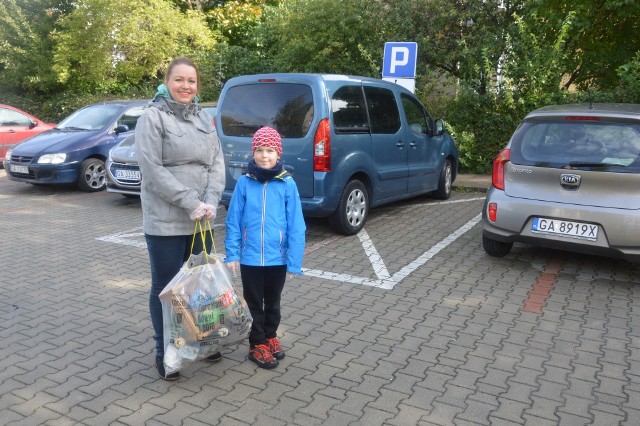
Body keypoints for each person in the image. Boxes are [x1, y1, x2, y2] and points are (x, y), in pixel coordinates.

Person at [135, 56, 226, 380]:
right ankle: (167, 353)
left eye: (192, 81)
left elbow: (217, 162)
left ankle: (205, 339)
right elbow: (152, 170)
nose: (186, 86)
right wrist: (190, 201)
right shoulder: (152, 117)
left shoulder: (204, 117)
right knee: (168, 287)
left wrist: (211, 200)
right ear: (167, 82)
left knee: (201, 285)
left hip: (201, 218)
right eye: (179, 80)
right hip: (166, 220)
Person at [224, 126, 306, 369]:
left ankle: (270, 336)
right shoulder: (244, 183)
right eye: (259, 150)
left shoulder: (287, 184)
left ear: (278, 154)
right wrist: (232, 253)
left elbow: (296, 224)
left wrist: (294, 260)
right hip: (250, 258)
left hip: (277, 258)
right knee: (253, 303)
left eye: (270, 150)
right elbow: (234, 220)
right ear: (254, 153)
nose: (264, 155)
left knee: (273, 302)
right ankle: (256, 343)